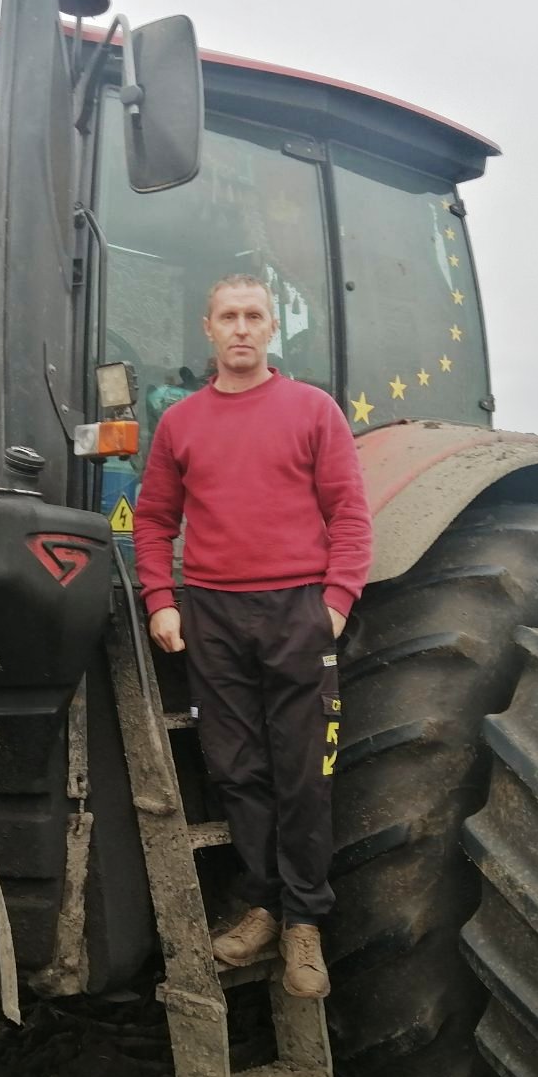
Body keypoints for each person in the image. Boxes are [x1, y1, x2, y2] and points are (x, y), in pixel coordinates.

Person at [132, 273, 371, 999]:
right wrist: (161, 600)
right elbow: (153, 520)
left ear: (272, 329)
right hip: (213, 613)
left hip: (297, 609)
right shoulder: (181, 424)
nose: (241, 328)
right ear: (208, 329)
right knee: (237, 770)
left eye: (254, 316)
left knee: (303, 771)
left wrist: (334, 602)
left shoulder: (312, 410)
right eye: (229, 316)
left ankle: (305, 922)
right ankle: (263, 906)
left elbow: (349, 514)